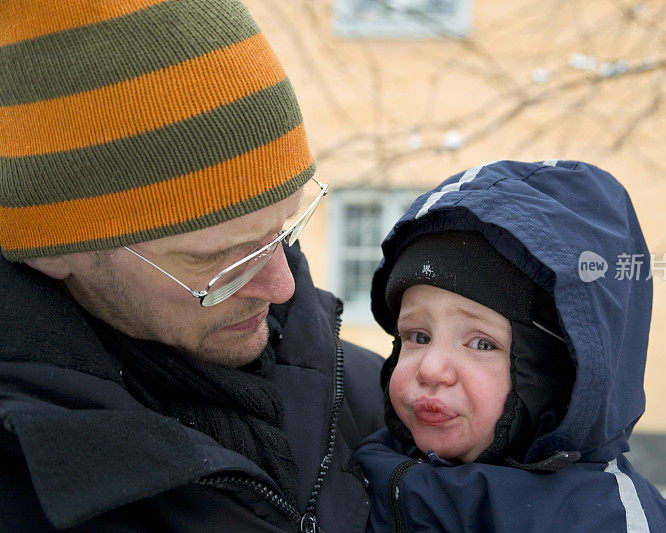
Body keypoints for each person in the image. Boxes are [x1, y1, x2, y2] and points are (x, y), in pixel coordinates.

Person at [0, 2, 383, 531]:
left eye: (284, 230)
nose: (282, 286)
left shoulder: (383, 400)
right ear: (52, 251)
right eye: (216, 259)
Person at [353, 160, 666, 531]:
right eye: (418, 337)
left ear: (559, 372)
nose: (430, 368)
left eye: (481, 344)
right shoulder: (360, 468)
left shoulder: (606, 520)